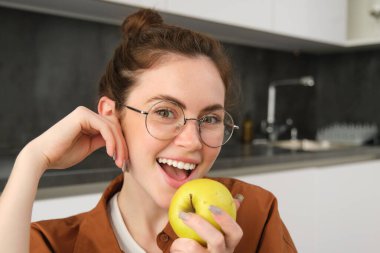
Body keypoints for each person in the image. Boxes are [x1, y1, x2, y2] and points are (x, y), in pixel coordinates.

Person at [0, 8, 297, 253]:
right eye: (165, 112)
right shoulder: (50, 244)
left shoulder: (255, 215)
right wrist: (32, 159)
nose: (192, 142)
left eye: (209, 119)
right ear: (111, 117)